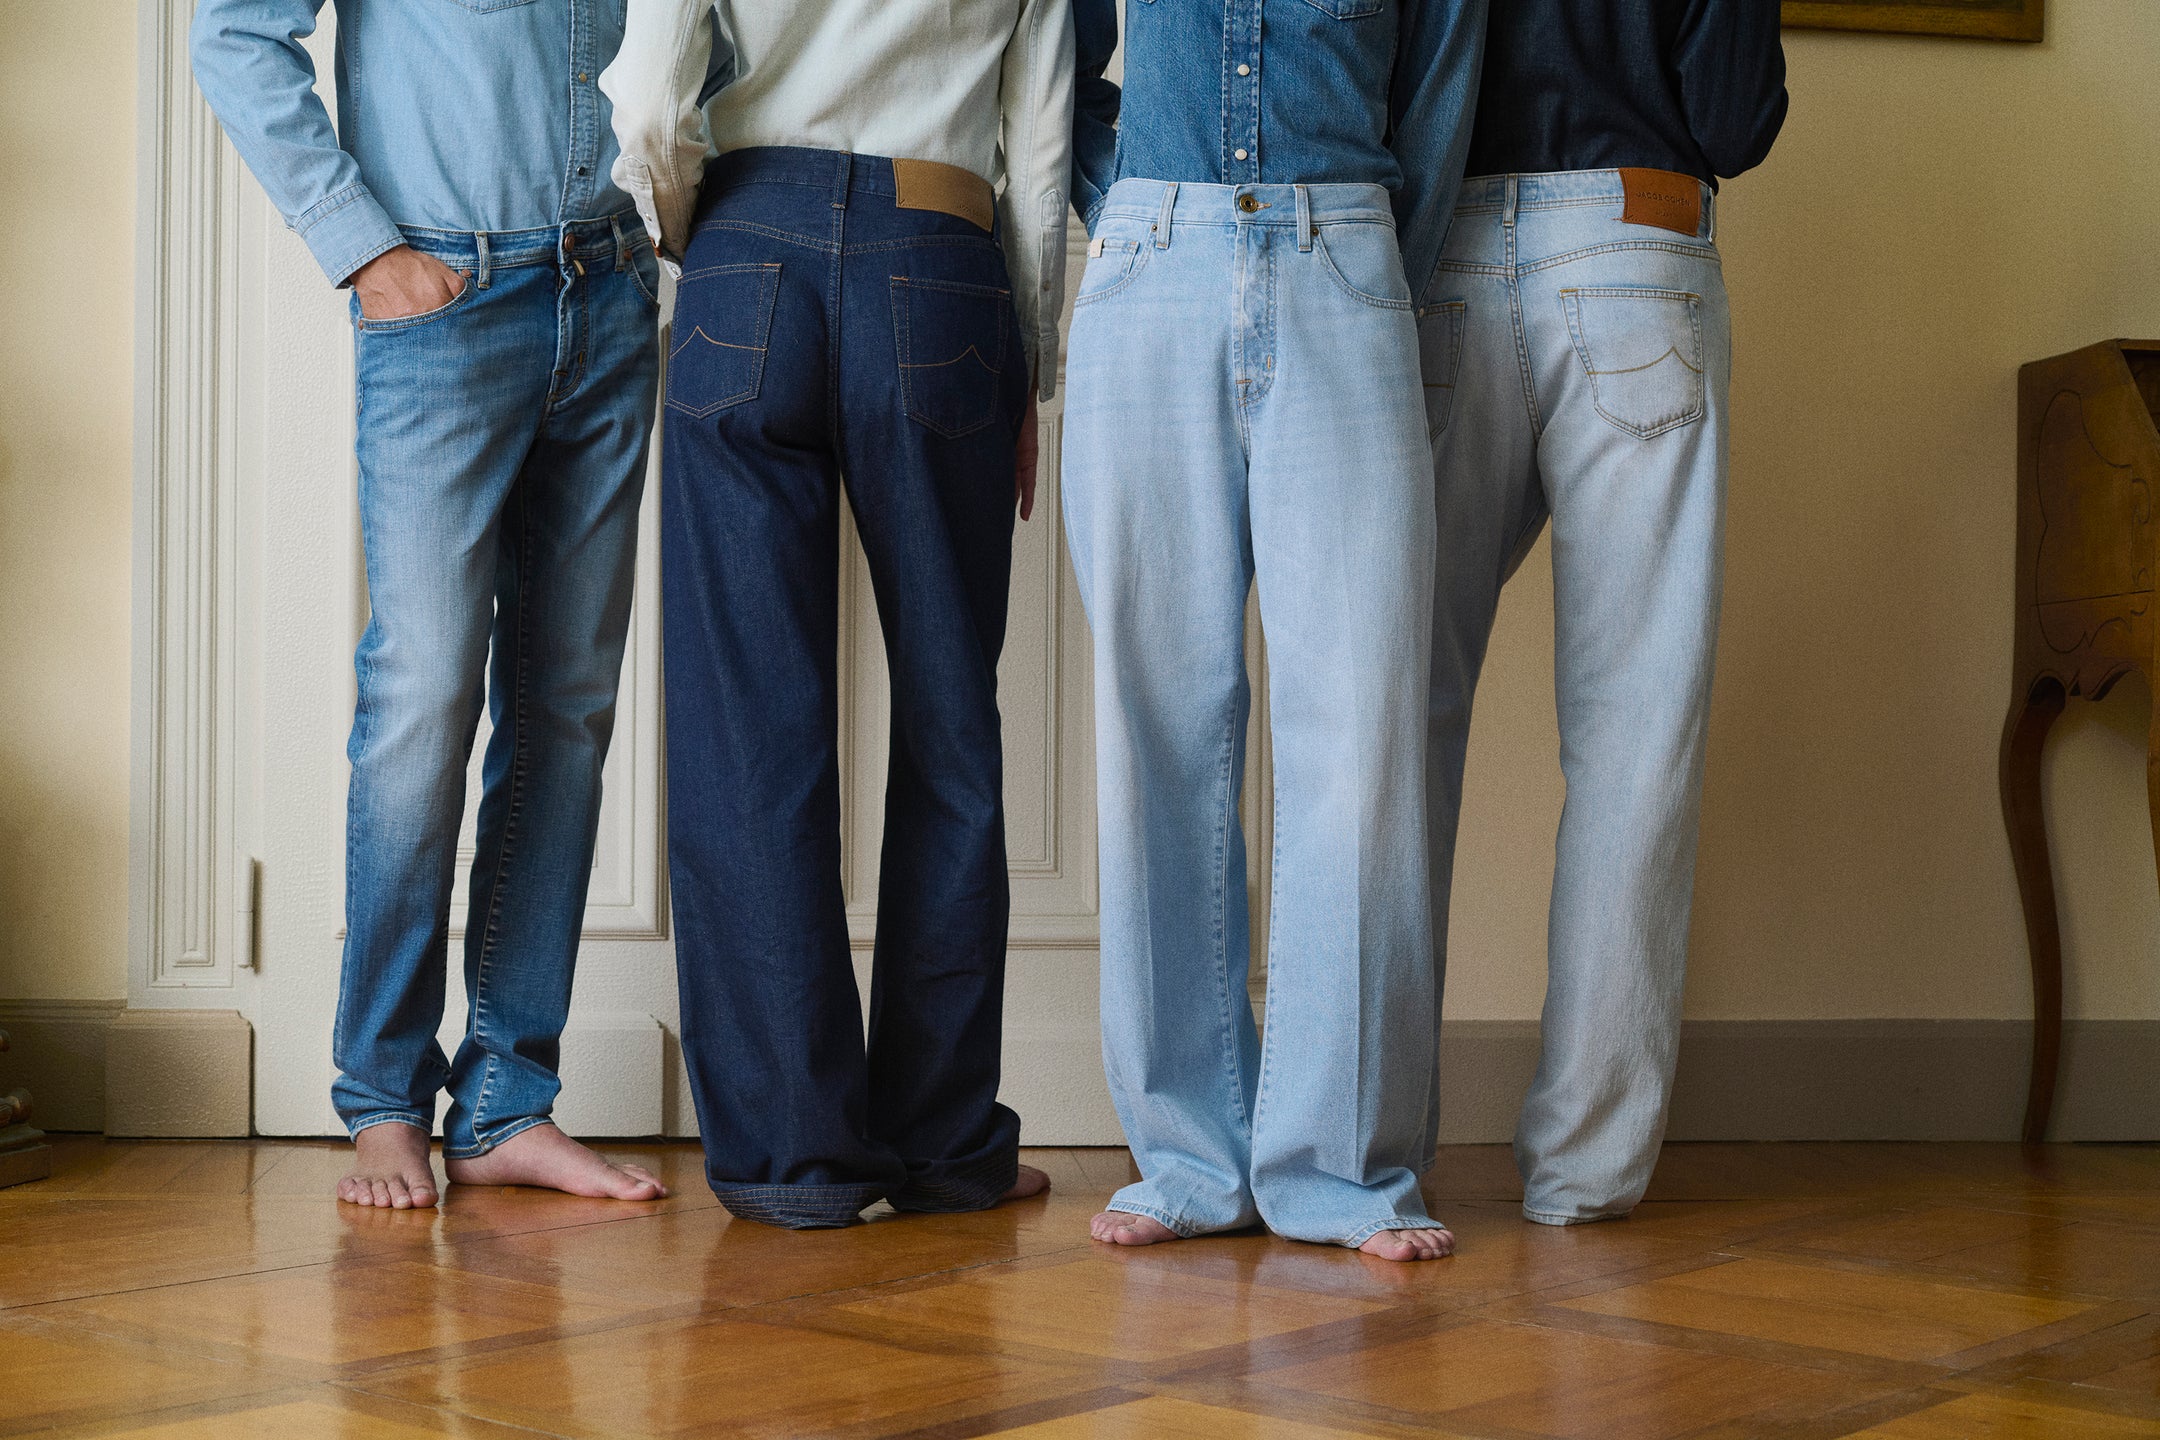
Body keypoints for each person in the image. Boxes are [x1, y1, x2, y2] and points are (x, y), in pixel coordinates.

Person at [601, 0, 1073, 1227]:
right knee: (952, 729)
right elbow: (1045, 132)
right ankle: (942, 1145)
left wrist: (707, 230)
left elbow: (651, 96)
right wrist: (1030, 356)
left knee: (744, 730)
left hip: (743, 246)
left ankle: (790, 1158)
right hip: (942, 253)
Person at [191, 0, 668, 1208]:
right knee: (425, 697)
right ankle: (384, 1098)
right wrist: (360, 247)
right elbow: (235, 33)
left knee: (564, 711)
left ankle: (510, 1101)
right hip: (447, 298)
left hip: (604, 287)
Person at [1061, 0, 1486, 1261]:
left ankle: (1342, 1169)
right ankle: (1190, 1158)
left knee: (1358, 734)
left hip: (1346, 260)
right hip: (1151, 262)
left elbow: (1441, 96)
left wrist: (1359, 259)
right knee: (1158, 724)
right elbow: (1060, 64)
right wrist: (1132, 208)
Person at [1420, 0, 1786, 1225]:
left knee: (1389, 730)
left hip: (1442, 254)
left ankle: (1356, 1154)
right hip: (1639, 243)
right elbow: (1735, 121)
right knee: (1635, 738)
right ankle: (1584, 1171)